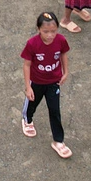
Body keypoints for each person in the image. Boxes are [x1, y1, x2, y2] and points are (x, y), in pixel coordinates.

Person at [20, 10, 71, 158]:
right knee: (32, 102)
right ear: (38, 30)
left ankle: (58, 141)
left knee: (55, 110)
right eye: (45, 31)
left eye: (53, 31)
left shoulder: (60, 40)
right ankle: (27, 120)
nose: (50, 35)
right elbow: (27, 65)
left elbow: (63, 54)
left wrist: (65, 72)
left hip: (54, 81)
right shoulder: (32, 44)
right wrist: (28, 87)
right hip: (36, 81)